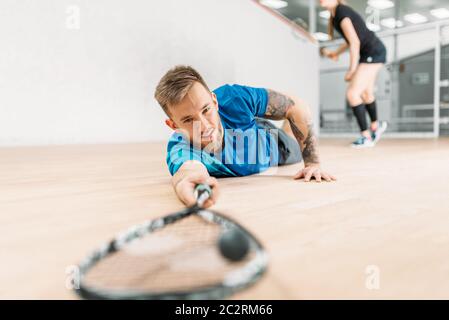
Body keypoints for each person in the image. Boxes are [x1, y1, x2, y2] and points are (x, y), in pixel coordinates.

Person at [154, 65, 336, 208]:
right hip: (249, 131)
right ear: (174, 126)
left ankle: (286, 122)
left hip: (273, 144)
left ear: (214, 101)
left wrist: (313, 163)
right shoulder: (181, 148)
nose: (204, 125)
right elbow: (187, 171)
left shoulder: (235, 98)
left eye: (206, 110)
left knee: (294, 121)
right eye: (187, 119)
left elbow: (298, 106)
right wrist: (187, 183)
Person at [320, 0, 388, 148]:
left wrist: (351, 70)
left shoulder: (341, 12)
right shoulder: (335, 15)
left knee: (352, 94)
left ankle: (366, 137)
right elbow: (350, 40)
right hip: (373, 51)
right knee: (366, 94)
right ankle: (376, 126)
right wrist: (336, 53)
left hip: (372, 52)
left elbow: (355, 43)